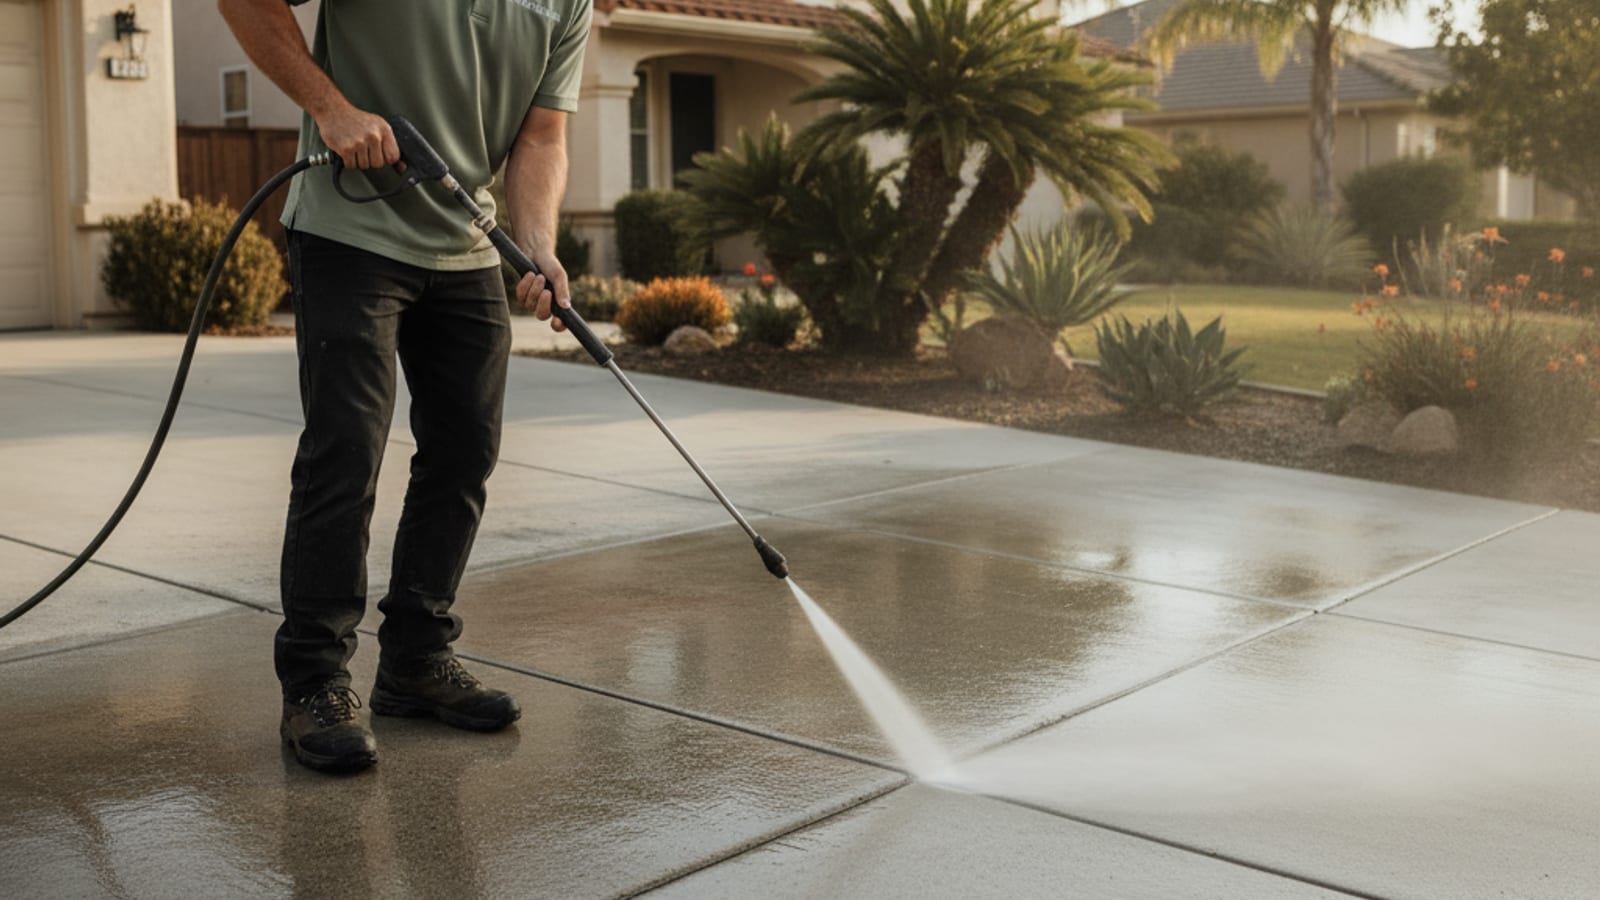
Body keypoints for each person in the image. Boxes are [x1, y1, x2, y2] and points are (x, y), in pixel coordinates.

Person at [220, 0, 592, 773]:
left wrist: (539, 247)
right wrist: (332, 108)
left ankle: (417, 661)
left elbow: (541, 135)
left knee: (464, 455)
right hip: (351, 229)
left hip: (466, 242)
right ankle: (316, 682)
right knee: (346, 452)